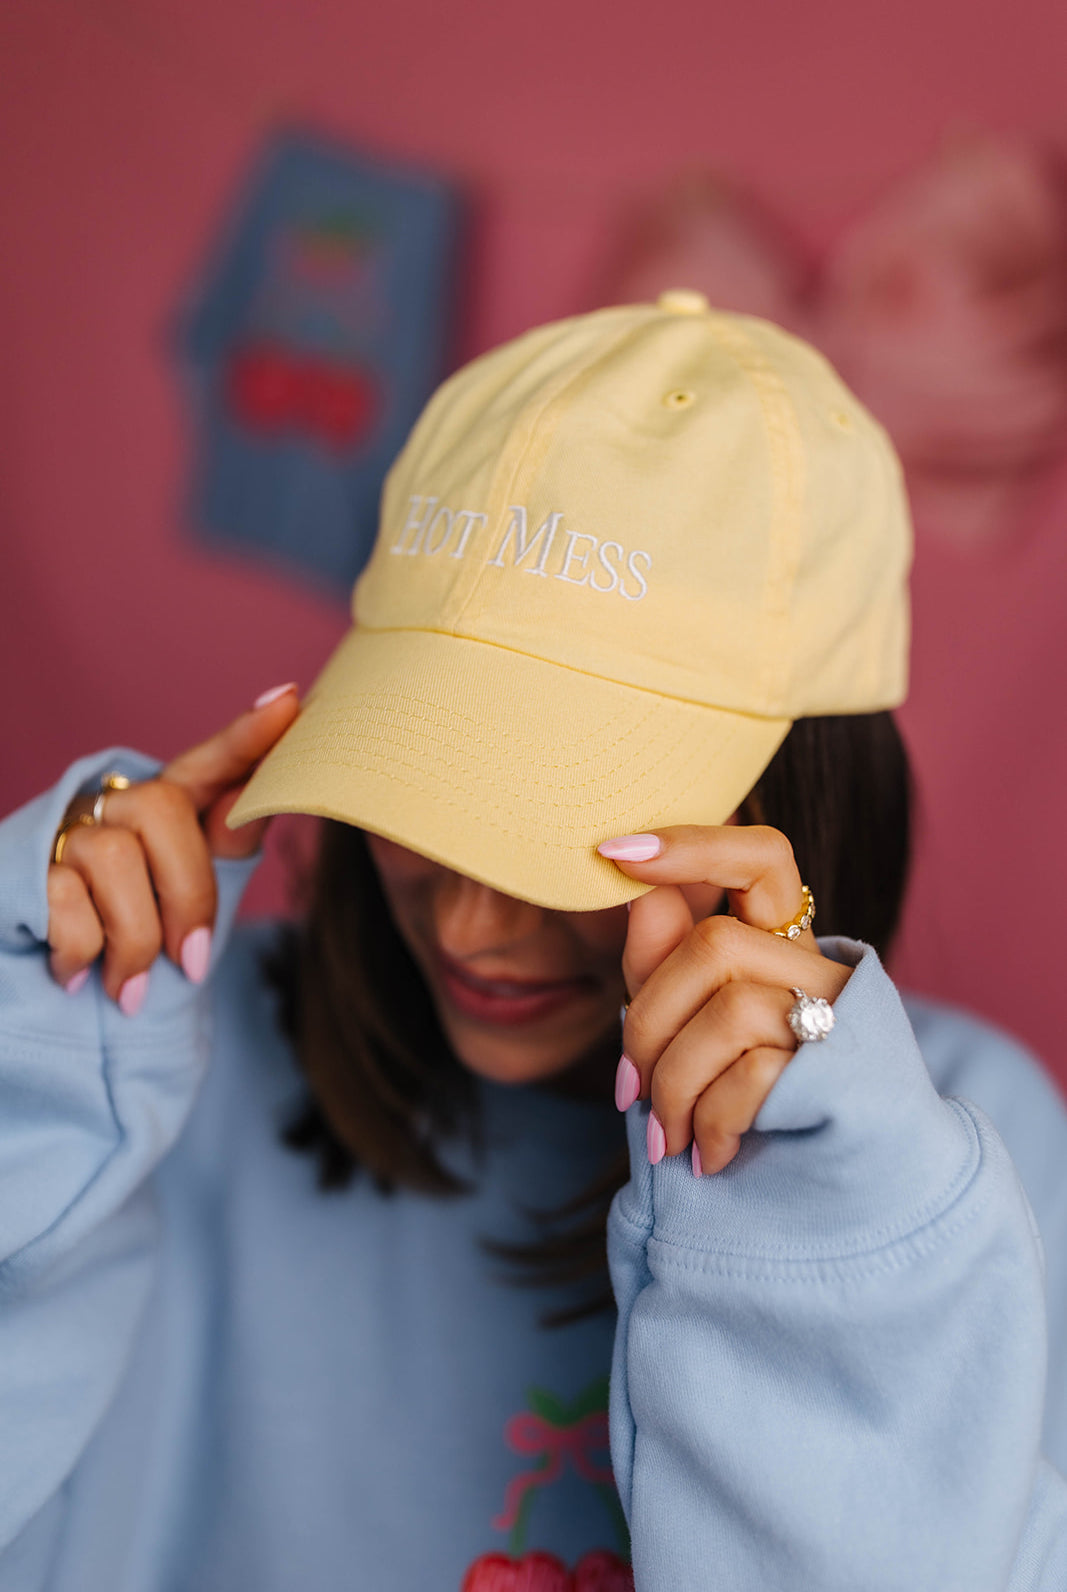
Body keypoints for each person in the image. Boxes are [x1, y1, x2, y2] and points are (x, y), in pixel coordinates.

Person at [2, 290, 1066, 1592]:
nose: (467, 922)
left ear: (800, 802)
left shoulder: (972, 1153)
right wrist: (32, 1058)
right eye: (418, 786)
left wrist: (821, 1223)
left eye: (563, 835)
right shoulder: (162, 1059)